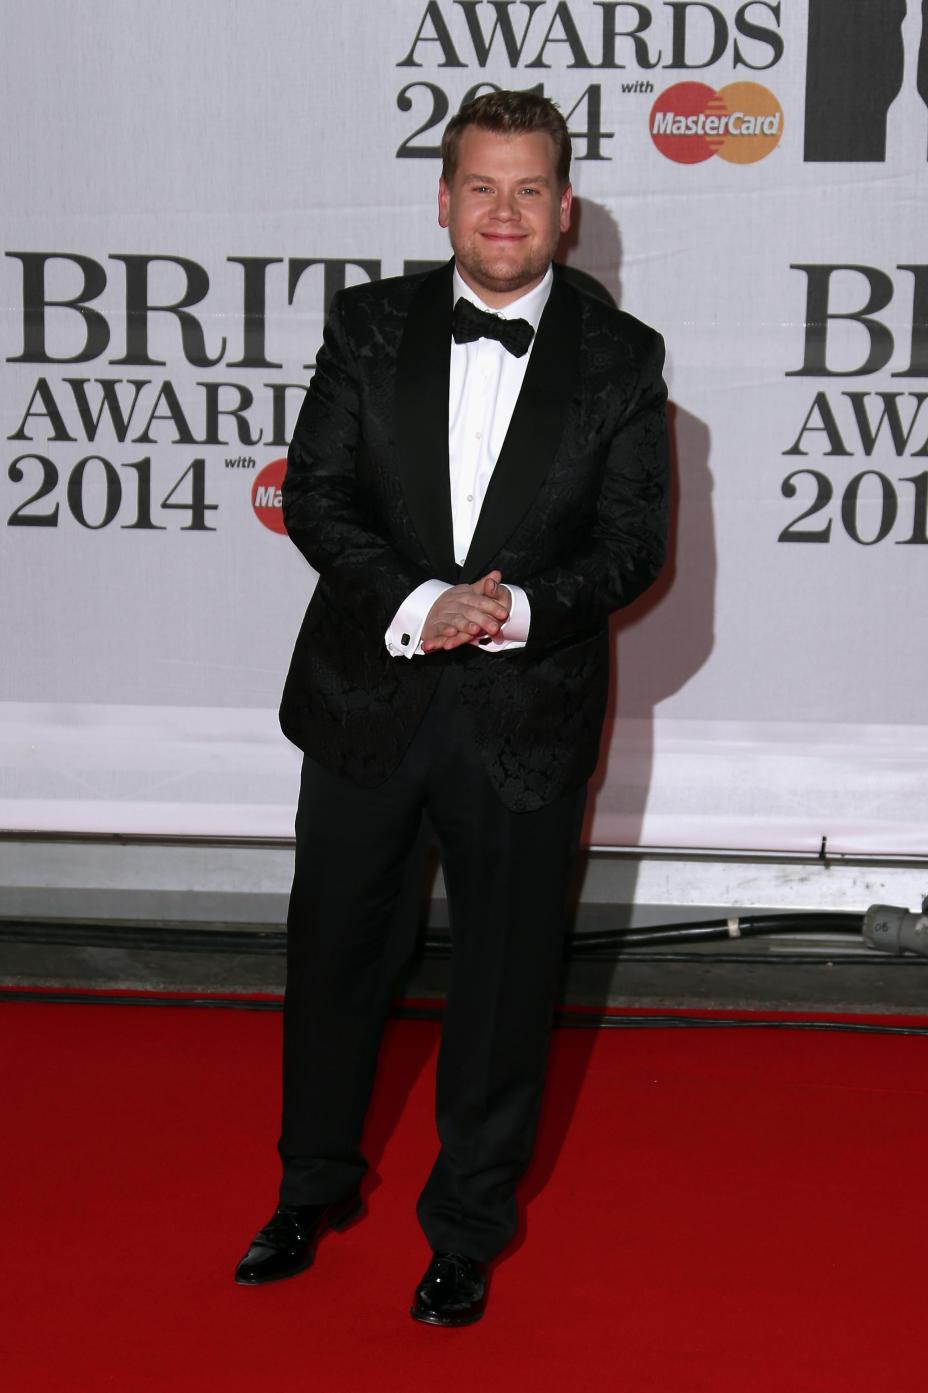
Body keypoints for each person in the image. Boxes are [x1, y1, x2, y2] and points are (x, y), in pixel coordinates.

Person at [234, 90, 669, 1326]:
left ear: (565, 210)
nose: (504, 212)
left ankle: (468, 1226)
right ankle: (307, 1188)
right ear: (443, 201)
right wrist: (423, 599)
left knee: (503, 983)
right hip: (368, 695)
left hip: (527, 718)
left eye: (530, 189)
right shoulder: (368, 327)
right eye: (482, 187)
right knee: (333, 960)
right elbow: (317, 496)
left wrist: (516, 611)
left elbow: (635, 547)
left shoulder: (623, 359)